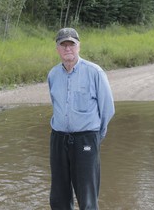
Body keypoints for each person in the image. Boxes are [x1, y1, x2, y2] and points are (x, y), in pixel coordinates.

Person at [47, 27, 115, 210]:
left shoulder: (95, 72)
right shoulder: (53, 74)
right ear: (57, 49)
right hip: (58, 139)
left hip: (86, 139)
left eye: (72, 44)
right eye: (63, 45)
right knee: (58, 196)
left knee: (87, 196)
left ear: (79, 46)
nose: (68, 48)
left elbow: (107, 108)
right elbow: (56, 105)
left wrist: (95, 137)